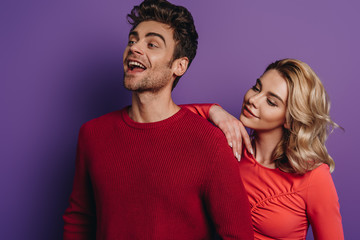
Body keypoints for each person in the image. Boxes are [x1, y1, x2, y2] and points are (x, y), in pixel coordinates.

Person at [62, 0, 253, 239]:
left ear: (179, 66)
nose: (135, 48)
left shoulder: (210, 143)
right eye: (133, 40)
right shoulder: (92, 134)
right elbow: (79, 220)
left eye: (152, 44)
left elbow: (238, 235)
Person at [186, 59, 344, 239]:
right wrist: (213, 111)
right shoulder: (225, 149)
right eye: (256, 88)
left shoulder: (314, 176)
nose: (253, 99)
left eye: (270, 101)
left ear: (290, 119)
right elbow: (162, 121)